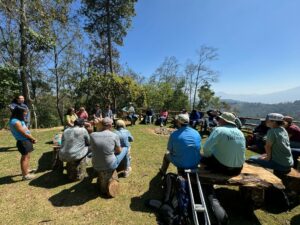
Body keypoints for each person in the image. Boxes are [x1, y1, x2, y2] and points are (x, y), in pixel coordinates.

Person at [90, 117, 129, 196]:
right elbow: (119, 151)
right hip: (110, 165)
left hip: (95, 165)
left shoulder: (93, 135)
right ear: (111, 125)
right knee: (125, 148)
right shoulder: (114, 135)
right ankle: (126, 169)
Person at [9, 106, 37, 180]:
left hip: (26, 140)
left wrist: (31, 139)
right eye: (24, 112)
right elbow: (24, 133)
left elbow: (26, 130)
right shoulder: (15, 121)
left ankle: (26, 170)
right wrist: (33, 138)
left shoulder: (19, 120)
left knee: (27, 156)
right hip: (23, 141)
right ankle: (25, 175)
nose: (26, 113)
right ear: (19, 113)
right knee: (25, 157)